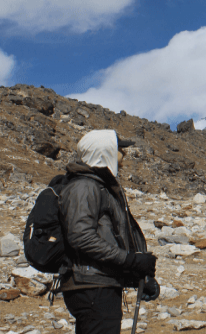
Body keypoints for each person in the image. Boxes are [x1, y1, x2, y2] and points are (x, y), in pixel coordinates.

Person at [58, 129, 159, 334]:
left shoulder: (98, 186)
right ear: (106, 151)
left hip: (97, 284)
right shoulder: (84, 187)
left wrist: (137, 276)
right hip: (91, 287)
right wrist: (130, 260)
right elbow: (81, 237)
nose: (125, 155)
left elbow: (107, 237)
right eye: (120, 149)